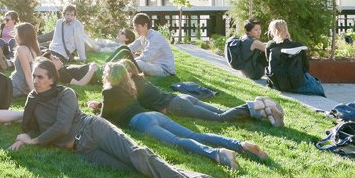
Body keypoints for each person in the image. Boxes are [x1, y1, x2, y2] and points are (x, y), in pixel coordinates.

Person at [9, 59, 244, 178]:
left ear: (52, 78)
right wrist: (23, 137)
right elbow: (29, 126)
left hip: (94, 129)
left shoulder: (66, 93)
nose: (36, 80)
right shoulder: (33, 98)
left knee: (141, 156)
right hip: (84, 149)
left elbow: (61, 127)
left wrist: (35, 141)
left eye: (40, 77)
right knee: (138, 168)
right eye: (34, 76)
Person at [96, 60, 267, 170]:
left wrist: (96, 109)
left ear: (109, 76)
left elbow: (103, 120)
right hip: (155, 116)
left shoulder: (108, 90)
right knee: (195, 135)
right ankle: (239, 145)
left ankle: (216, 154)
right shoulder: (130, 87)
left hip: (144, 121)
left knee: (177, 142)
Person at [119, 59, 284, 127]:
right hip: (182, 98)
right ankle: (263, 111)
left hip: (176, 106)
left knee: (220, 118)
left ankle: (255, 105)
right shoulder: (142, 80)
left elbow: (132, 106)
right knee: (221, 112)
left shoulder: (133, 86)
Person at [266, 19, 326, 96]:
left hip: (278, 83)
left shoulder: (270, 45)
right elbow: (306, 67)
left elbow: (268, 62)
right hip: (297, 82)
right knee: (318, 85)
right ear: (286, 29)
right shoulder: (298, 45)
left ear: (273, 31)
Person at [235, 20, 270, 84]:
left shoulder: (243, 38)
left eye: (260, 29)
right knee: (271, 53)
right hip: (254, 74)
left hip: (245, 72)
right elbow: (269, 50)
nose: (259, 32)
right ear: (248, 31)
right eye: (256, 30)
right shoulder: (255, 42)